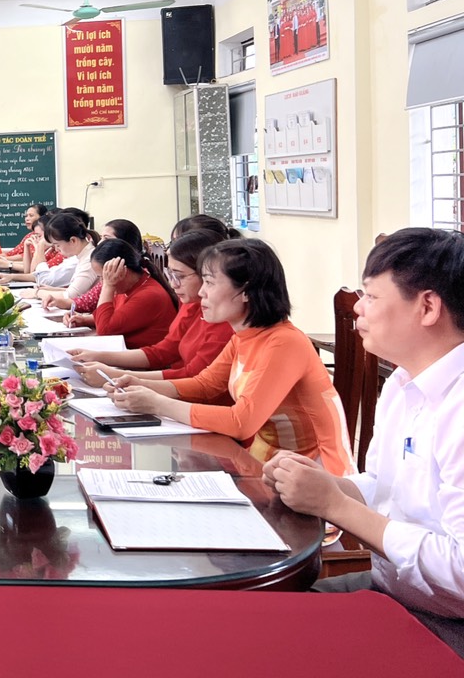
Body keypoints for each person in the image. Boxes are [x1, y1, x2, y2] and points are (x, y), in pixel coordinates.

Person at [265, 228, 464, 655]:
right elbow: (383, 485)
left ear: (428, 307)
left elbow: (461, 570)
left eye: (371, 296)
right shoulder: (403, 382)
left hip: (448, 624)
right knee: (251, 616)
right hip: (392, 593)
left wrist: (334, 506)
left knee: (275, 645)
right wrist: (325, 484)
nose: (357, 307)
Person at [107, 238, 355, 474]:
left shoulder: (285, 342)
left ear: (246, 290)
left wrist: (157, 403)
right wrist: (139, 383)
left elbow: (241, 422)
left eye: (210, 283)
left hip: (313, 473)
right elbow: (205, 385)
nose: (202, 293)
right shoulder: (243, 336)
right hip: (267, 462)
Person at [71, 229, 235, 384]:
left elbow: (196, 379)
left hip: (180, 387)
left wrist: (115, 376)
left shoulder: (222, 318)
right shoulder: (191, 303)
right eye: (171, 274)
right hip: (173, 382)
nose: (173, 284)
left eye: (179, 276)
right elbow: (164, 350)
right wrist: (97, 356)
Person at [69, 238, 178, 347]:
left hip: (146, 355)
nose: (102, 283)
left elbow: (104, 331)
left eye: (103, 277)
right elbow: (113, 316)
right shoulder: (127, 287)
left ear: (121, 270)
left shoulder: (149, 295)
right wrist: (84, 319)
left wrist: (108, 286)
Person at [32, 212, 97, 300]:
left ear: (73, 240)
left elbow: (71, 296)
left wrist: (37, 293)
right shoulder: (80, 256)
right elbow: (75, 291)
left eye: (58, 245)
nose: (56, 249)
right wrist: (50, 290)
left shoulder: (89, 260)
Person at [0, 203, 46, 271]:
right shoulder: (29, 235)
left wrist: (6, 262)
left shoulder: (43, 239)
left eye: (31, 216)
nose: (27, 219)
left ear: (42, 218)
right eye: (26, 216)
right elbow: (13, 253)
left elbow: (29, 262)